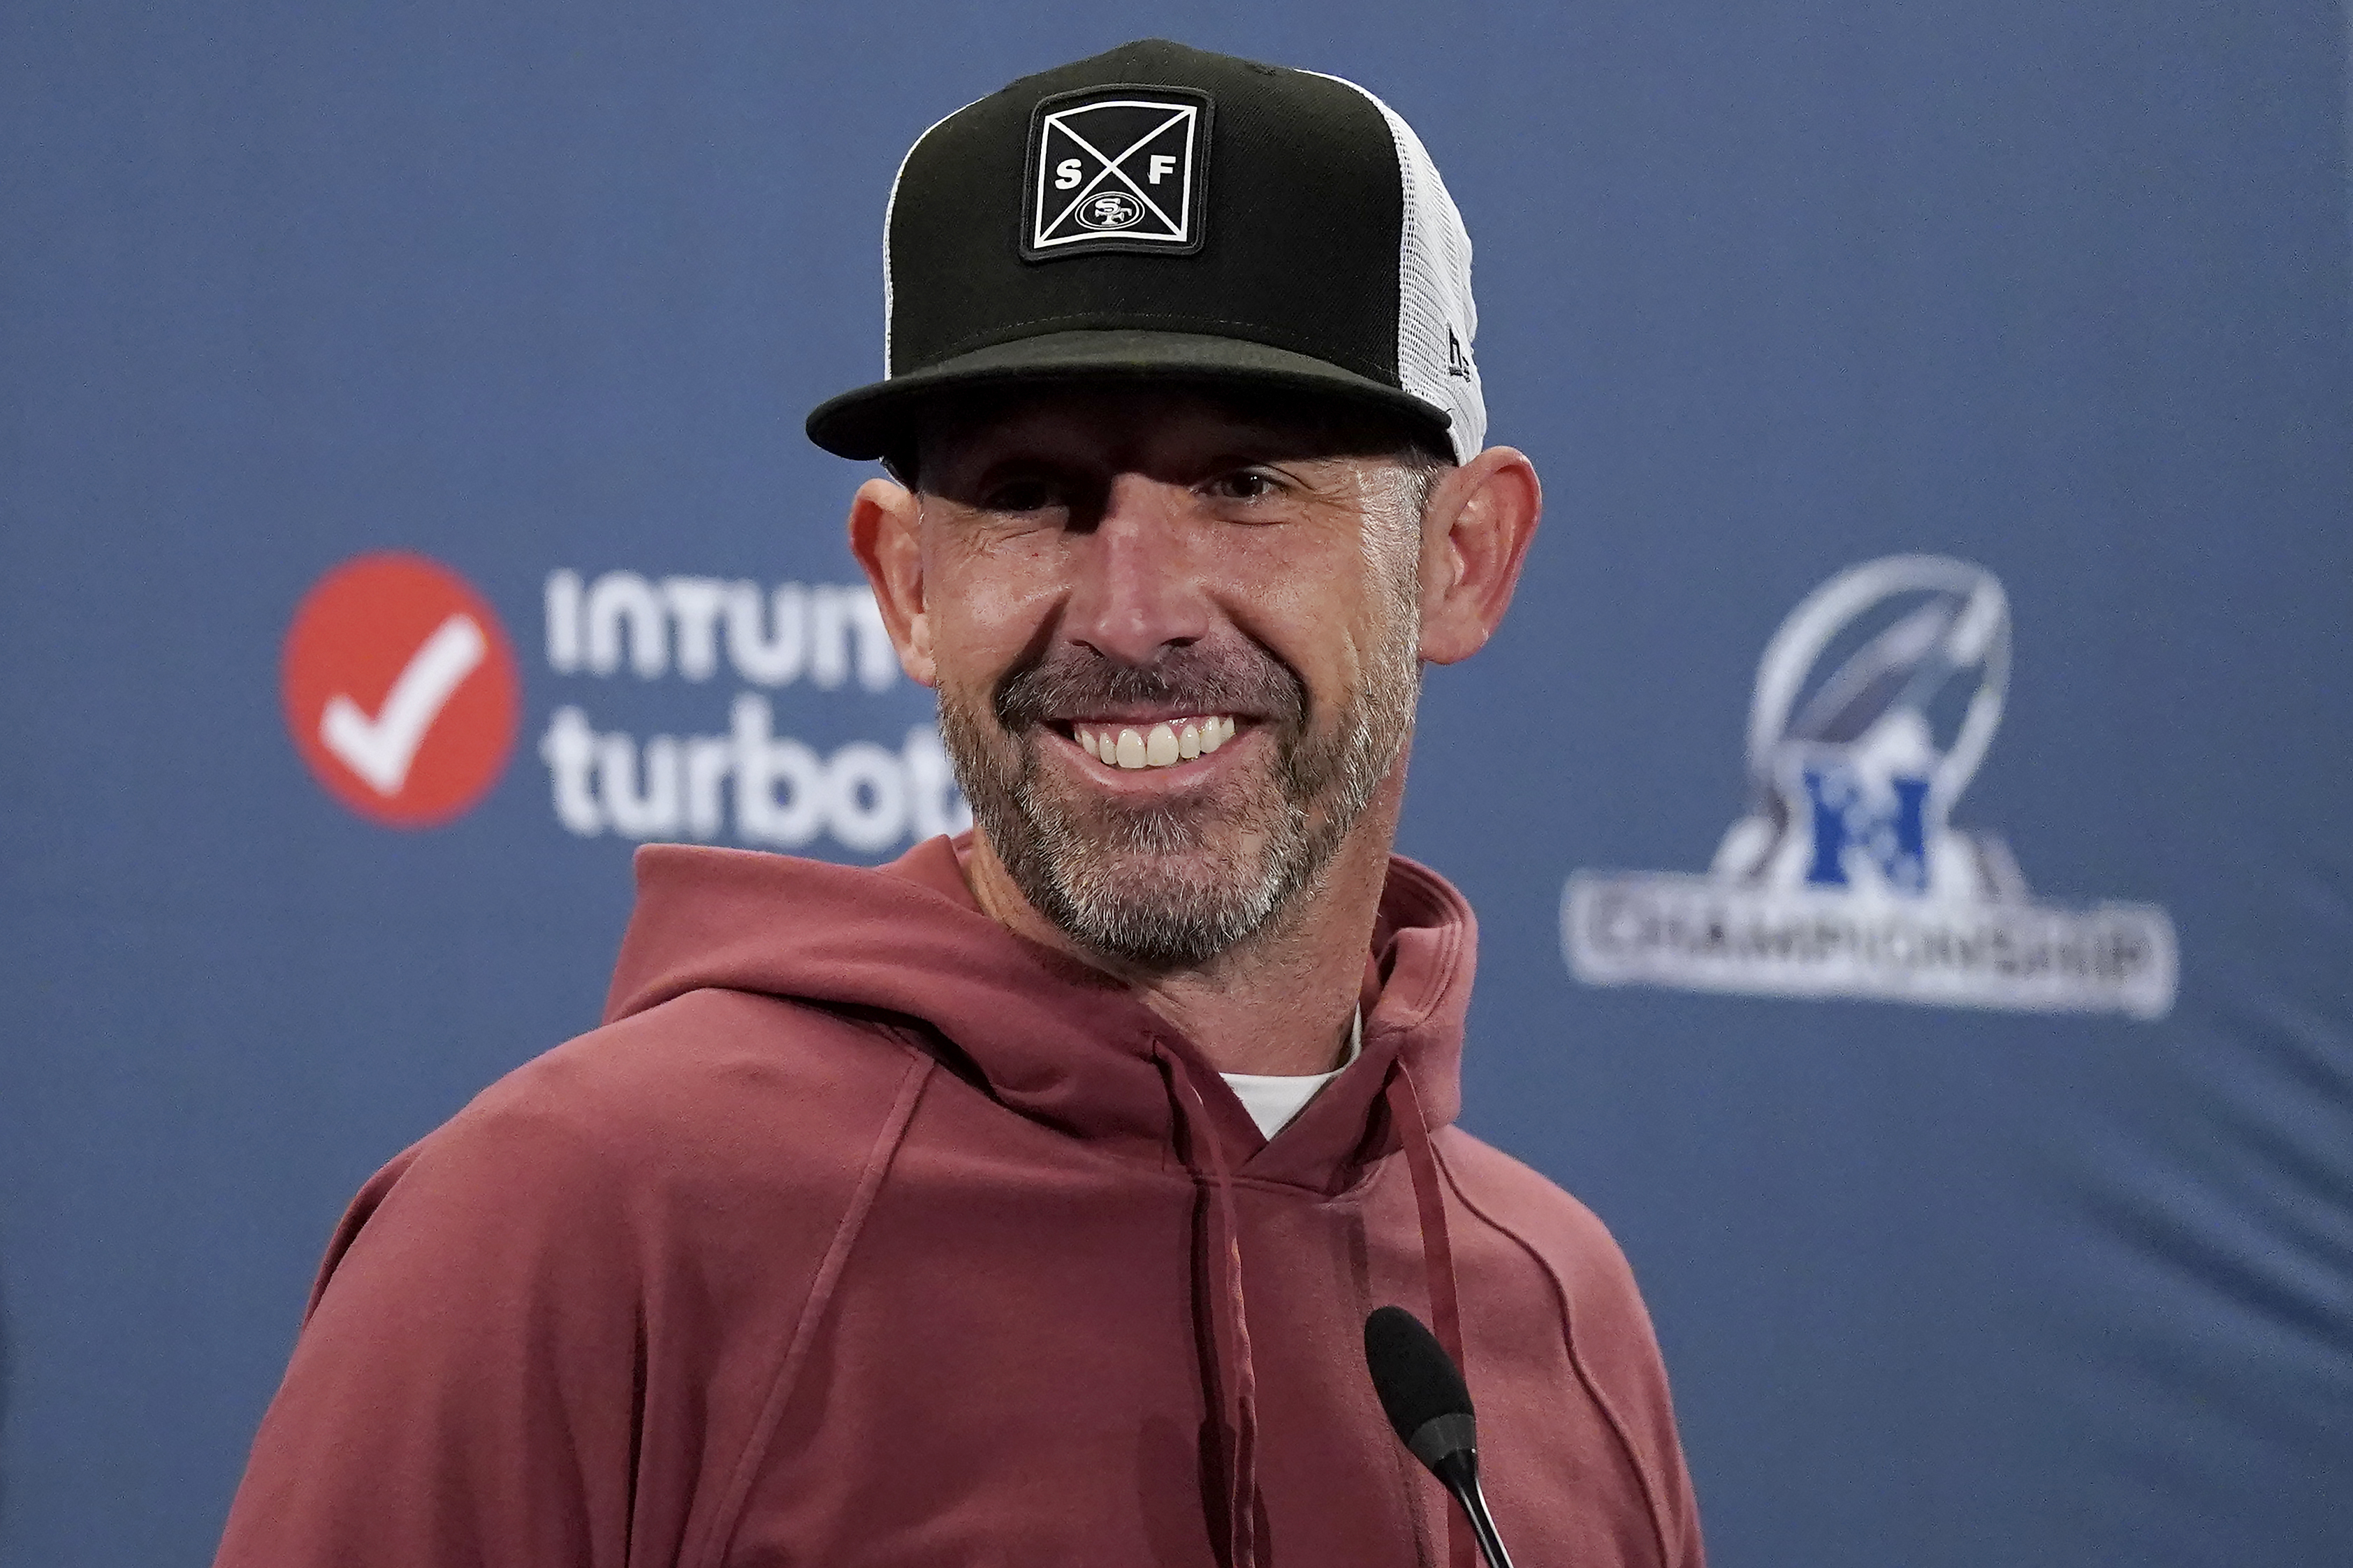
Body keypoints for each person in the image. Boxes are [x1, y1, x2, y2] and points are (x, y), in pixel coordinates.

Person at [215, 38, 1704, 1568]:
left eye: (1246, 484)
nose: (1133, 613)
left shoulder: (1558, 1305)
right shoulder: (571, 1223)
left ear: (1460, 557)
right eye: (1029, 494)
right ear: (906, 582)